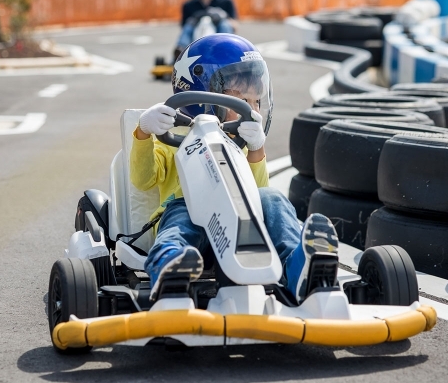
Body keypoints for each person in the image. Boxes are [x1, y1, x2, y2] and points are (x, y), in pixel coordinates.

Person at [131, 34, 339, 303]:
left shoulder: (239, 141)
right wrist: (144, 132)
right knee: (180, 217)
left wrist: (256, 149)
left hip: (240, 223)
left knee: (272, 199)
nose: (251, 110)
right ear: (202, 95)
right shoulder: (172, 138)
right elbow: (143, 179)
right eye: (240, 99)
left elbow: (259, 191)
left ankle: (298, 265)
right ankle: (170, 262)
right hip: (194, 229)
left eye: (255, 101)